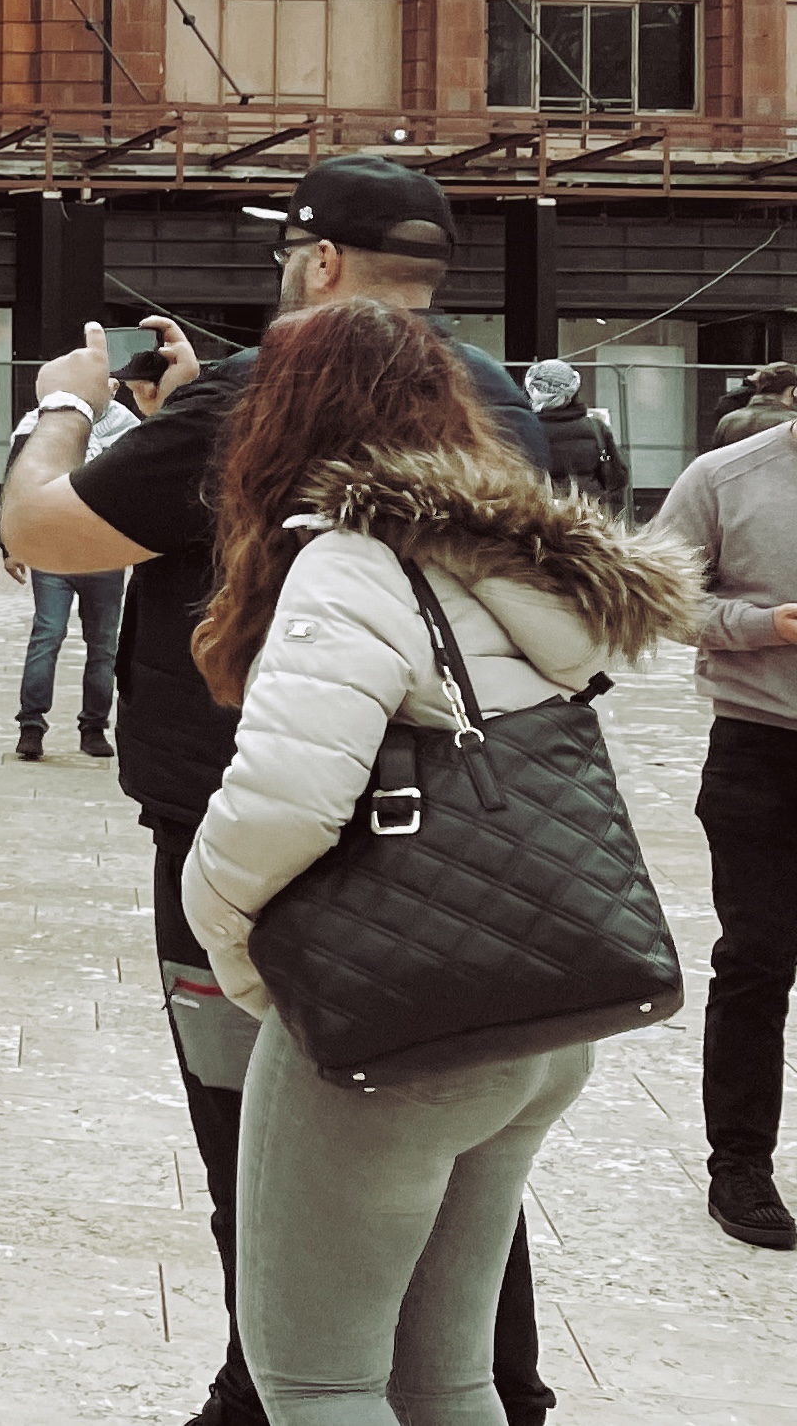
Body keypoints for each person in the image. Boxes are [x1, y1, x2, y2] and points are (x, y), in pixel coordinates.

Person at [0, 154, 555, 1426]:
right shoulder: (496, 394)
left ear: (320, 262)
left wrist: (67, 408)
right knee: (445, 1141)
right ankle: (491, 1388)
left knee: (257, 1136)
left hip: (252, 825)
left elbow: (43, 529)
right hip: (466, 829)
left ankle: (264, 1393)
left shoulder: (261, 396)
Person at [177, 300, 689, 1422]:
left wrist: (221, 932)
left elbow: (286, 802)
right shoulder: (508, 565)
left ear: (280, 419)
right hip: (537, 1013)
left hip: (402, 1023)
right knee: (444, 1376)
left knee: (316, 1380)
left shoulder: (353, 563)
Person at [646, 394, 797, 1251]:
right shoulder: (725, 477)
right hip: (762, 746)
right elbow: (659, 599)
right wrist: (765, 626)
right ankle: (739, 1162)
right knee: (757, 958)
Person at [4, 356, 155, 763]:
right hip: (53, 552)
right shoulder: (41, 421)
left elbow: (142, 485)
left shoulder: (128, 427)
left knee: (102, 646)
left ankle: (93, 727)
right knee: (47, 636)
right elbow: (16, 480)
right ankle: (31, 725)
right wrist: (10, 544)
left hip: (103, 554)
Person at [526, 359, 629, 515]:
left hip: (537, 519)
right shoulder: (596, 428)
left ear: (534, 390)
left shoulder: (519, 430)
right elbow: (618, 478)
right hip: (586, 519)